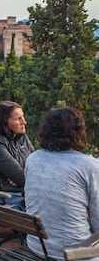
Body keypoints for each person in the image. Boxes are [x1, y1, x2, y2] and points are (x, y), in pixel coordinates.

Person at [25, 107, 99, 260]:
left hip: (37, 246)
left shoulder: (33, 159)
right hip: (77, 253)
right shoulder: (89, 166)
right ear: (79, 131)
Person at [0, 101, 34, 211]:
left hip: (16, 192)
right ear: (4, 122)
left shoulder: (21, 136)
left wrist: (19, 180)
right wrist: (20, 178)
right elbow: (20, 177)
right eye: (18, 119)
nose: (24, 122)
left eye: (23, 117)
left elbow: (35, 164)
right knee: (42, 211)